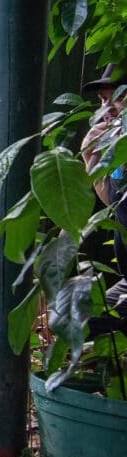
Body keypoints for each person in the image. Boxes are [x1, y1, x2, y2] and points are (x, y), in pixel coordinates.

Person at [80, 63, 127, 325]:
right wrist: (94, 158)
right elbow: (114, 203)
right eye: (103, 100)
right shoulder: (119, 156)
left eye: (118, 99)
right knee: (84, 323)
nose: (107, 110)